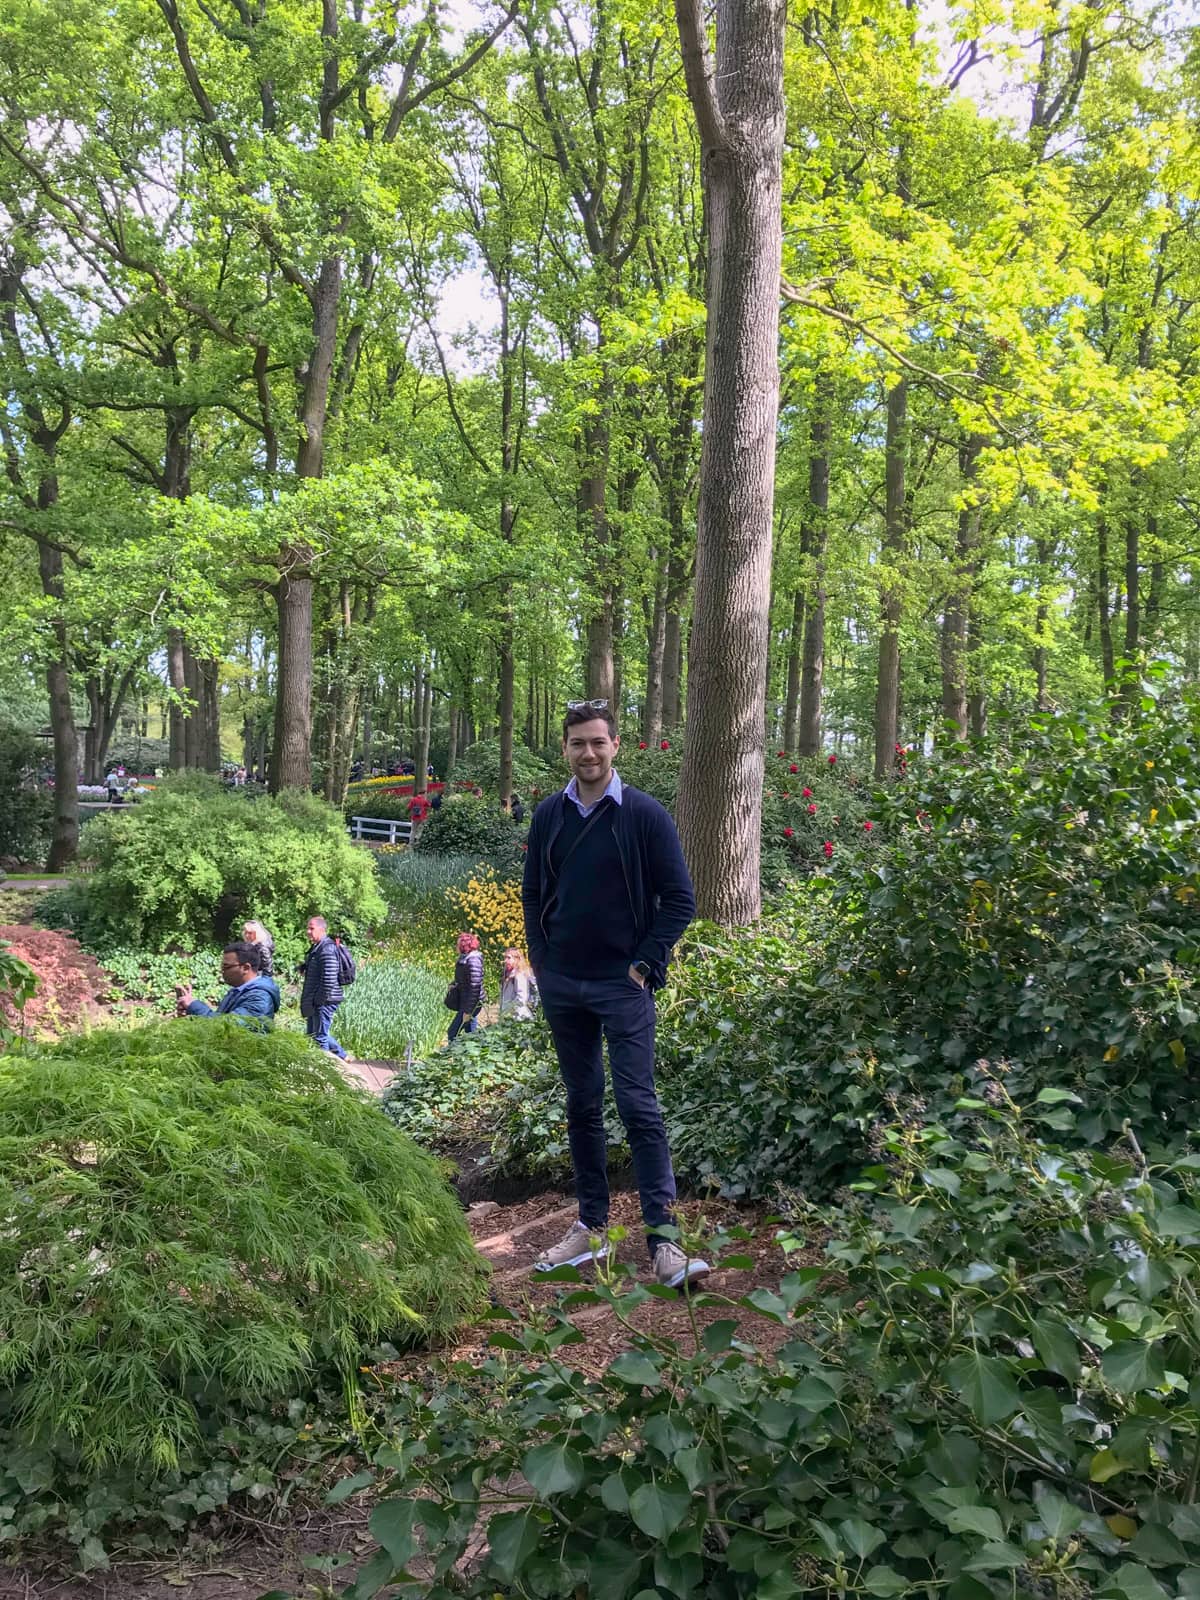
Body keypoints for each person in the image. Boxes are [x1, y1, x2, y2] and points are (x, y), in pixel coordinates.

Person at [521, 698, 707, 1290]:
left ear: (615, 746)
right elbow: (532, 895)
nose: (588, 753)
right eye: (578, 743)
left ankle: (665, 1243)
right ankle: (591, 1229)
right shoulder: (549, 815)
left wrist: (645, 965)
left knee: (638, 1106)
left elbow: (680, 900)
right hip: (563, 987)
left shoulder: (645, 816)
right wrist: (544, 967)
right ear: (566, 749)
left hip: (622, 986)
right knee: (581, 1106)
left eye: (598, 742)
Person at [176, 942, 281, 1028]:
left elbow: (226, 1026)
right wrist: (192, 1014)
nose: (222, 971)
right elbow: (218, 1021)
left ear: (245, 968)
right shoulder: (238, 991)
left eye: (226, 967)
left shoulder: (260, 998)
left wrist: (194, 1006)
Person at [300, 915, 347, 1058]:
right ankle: (342, 1056)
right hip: (318, 999)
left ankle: (326, 1070)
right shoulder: (318, 947)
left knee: (319, 1038)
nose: (308, 931)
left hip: (325, 1000)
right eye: (308, 928)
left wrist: (318, 1001)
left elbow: (329, 978)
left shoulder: (327, 949)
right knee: (313, 1034)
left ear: (321, 929)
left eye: (311, 928)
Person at [448, 932, 484, 1042]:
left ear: (464, 946)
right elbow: (465, 979)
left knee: (453, 1032)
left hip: (472, 1003)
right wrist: (454, 984)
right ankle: (473, 1057)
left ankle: (454, 1057)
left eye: (458, 944)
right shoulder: (464, 958)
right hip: (466, 1000)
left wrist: (468, 1011)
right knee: (471, 1035)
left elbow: (475, 987)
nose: (456, 946)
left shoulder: (473, 960)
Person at [499, 948, 537, 1021]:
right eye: (505, 957)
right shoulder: (508, 974)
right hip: (508, 1015)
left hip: (518, 1016)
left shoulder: (520, 975)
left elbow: (521, 998)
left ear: (517, 959)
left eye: (509, 958)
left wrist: (510, 1012)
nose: (505, 960)